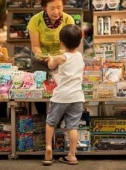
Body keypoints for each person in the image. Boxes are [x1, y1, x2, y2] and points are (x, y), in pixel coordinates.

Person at [27, 0, 75, 114]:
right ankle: (42, 118)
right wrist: (44, 57)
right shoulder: (35, 21)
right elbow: (35, 45)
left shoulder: (68, 20)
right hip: (41, 60)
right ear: (44, 7)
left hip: (61, 60)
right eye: (52, 8)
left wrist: (59, 57)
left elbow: (69, 44)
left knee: (62, 90)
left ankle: (58, 120)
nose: (56, 11)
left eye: (59, 7)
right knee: (40, 90)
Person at [42, 24, 85, 166]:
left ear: (61, 42)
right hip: (77, 97)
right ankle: (72, 155)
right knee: (72, 126)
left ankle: (48, 149)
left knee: (51, 122)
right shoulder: (79, 56)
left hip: (61, 97)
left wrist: (50, 59)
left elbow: (50, 66)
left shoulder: (61, 57)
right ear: (79, 42)